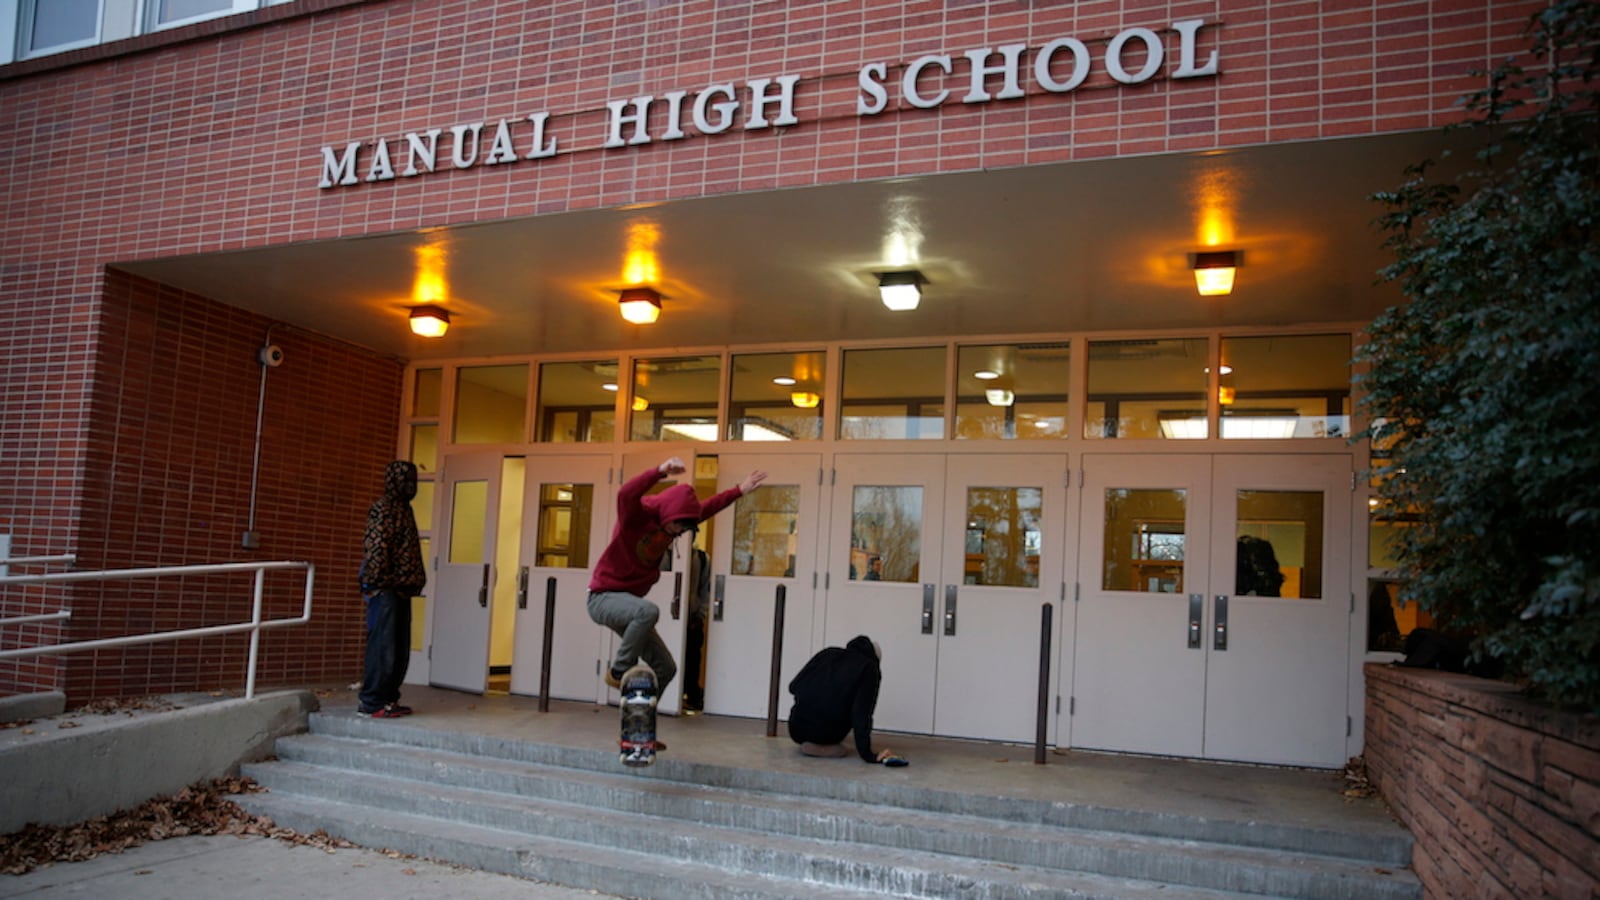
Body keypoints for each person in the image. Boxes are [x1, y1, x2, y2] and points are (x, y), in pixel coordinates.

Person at [587, 456, 766, 696]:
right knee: (648, 611)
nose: (679, 533)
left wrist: (740, 490)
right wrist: (659, 471)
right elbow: (625, 494)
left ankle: (640, 716)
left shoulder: (681, 519)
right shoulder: (636, 516)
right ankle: (618, 672)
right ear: (669, 516)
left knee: (667, 668)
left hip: (629, 605)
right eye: (678, 528)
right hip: (603, 598)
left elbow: (710, 506)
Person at [357, 460, 426, 719]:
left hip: (401, 590)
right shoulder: (383, 509)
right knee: (382, 648)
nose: (411, 486)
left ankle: (388, 698)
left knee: (398, 649)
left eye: (414, 481)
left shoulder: (404, 509)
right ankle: (372, 701)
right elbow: (376, 549)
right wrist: (379, 582)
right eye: (406, 481)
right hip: (385, 590)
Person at [786, 635, 907, 766]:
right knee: (841, 735)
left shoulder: (828, 653)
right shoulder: (868, 668)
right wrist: (869, 755)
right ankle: (822, 746)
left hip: (795, 729)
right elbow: (861, 715)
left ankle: (813, 741)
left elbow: (793, 686)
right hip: (826, 733)